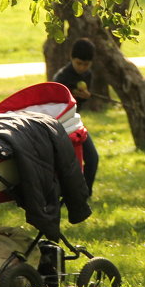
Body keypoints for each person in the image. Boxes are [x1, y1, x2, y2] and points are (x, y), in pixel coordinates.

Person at [51, 37, 99, 193]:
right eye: (79, 63)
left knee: (92, 158)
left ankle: (85, 194)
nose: (82, 68)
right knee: (65, 164)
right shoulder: (61, 78)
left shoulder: (88, 75)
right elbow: (54, 106)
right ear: (71, 59)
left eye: (86, 64)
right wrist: (71, 95)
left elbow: (78, 108)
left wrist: (82, 98)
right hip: (59, 125)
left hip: (75, 122)